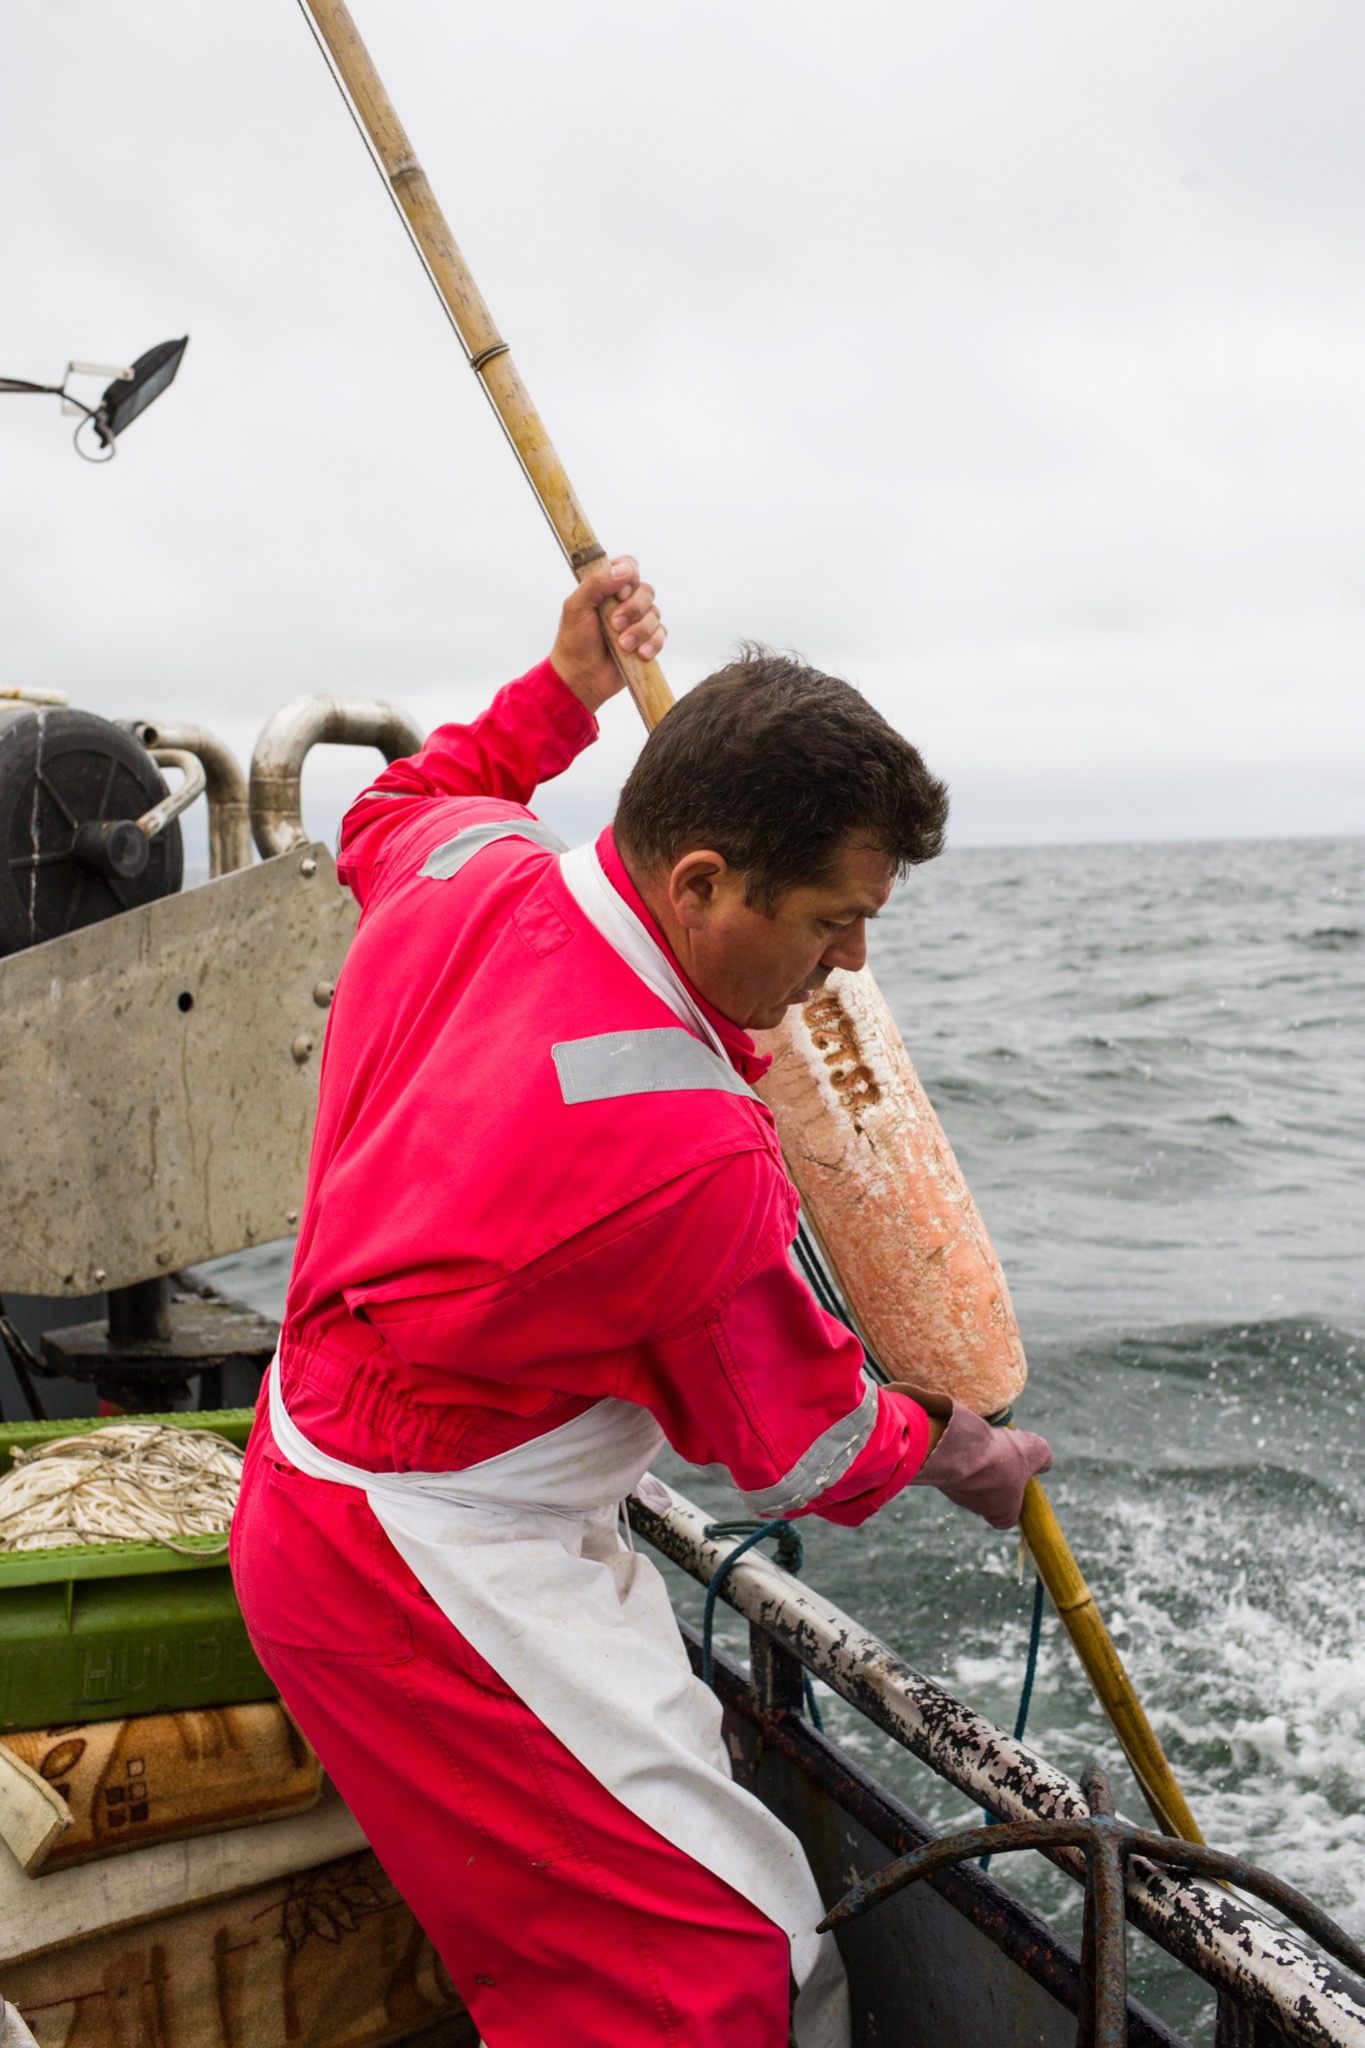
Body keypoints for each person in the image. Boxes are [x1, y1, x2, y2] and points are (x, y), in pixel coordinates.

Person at [231, 558, 1053, 2048]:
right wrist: (960, 1449)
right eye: (826, 922)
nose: (851, 968)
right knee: (708, 1973)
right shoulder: (686, 1152)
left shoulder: (471, 862)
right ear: (696, 883)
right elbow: (795, 1441)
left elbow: (392, 806)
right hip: (423, 1558)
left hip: (319, 1458)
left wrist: (562, 694)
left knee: (685, 1940)